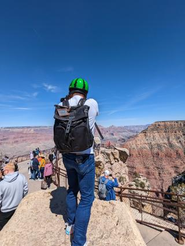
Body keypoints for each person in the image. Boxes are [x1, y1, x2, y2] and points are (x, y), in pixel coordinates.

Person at [59, 78, 99, 246]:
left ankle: (70, 224)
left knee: (71, 190)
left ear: (70, 89)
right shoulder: (91, 102)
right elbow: (94, 116)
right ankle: (79, 241)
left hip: (67, 155)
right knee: (87, 198)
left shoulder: (62, 104)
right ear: (86, 92)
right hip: (85, 157)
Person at [0, 163, 28, 230]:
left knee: (3, 228)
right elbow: (26, 190)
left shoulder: (2, 184)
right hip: (18, 206)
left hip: (5, 210)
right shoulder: (22, 177)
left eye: (3, 171)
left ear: (7, 171)